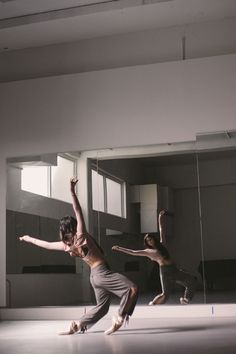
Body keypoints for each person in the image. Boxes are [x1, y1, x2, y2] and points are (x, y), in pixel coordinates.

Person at [19, 177, 138, 335]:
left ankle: (76, 325)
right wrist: (71, 191)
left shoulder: (67, 246)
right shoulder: (81, 236)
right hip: (102, 272)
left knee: (102, 308)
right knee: (132, 288)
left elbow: (46, 244)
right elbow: (78, 210)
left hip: (94, 277)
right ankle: (119, 318)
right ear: (74, 226)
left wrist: (28, 238)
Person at [112, 210, 196, 306]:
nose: (150, 241)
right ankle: (152, 304)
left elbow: (161, 229)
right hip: (165, 272)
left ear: (154, 239)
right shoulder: (148, 252)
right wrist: (119, 248)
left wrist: (160, 218)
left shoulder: (162, 244)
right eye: (147, 241)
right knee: (165, 294)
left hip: (174, 269)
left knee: (191, 281)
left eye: (150, 239)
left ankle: (186, 299)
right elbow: (133, 252)